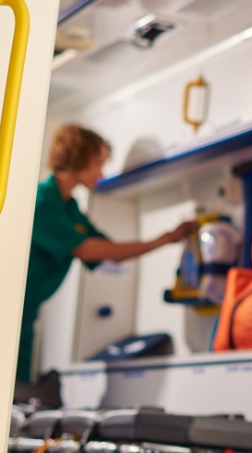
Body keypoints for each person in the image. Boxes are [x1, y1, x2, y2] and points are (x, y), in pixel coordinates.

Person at [16, 124, 196, 389]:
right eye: (97, 163)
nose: (101, 172)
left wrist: (167, 238)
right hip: (12, 312)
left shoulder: (70, 208)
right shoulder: (43, 201)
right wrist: (164, 238)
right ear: (78, 157)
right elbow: (89, 249)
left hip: (28, 315)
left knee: (15, 391)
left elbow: (111, 252)